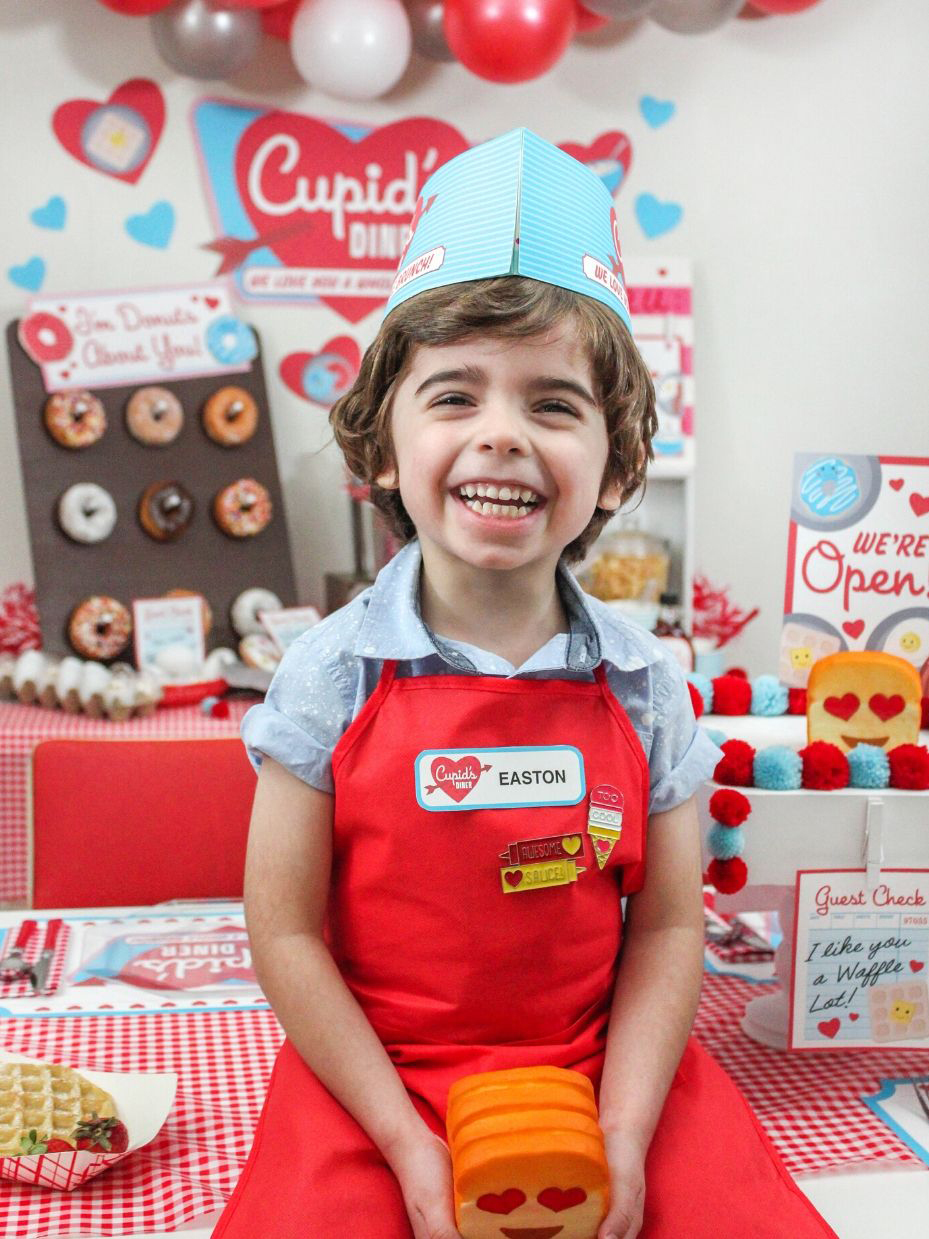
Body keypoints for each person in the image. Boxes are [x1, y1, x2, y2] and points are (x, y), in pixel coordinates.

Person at [214, 131, 837, 1239]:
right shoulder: (326, 678)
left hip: (600, 1072)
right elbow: (286, 934)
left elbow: (666, 929)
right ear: (383, 447)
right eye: (454, 397)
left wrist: (626, 1131)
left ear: (617, 464)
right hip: (374, 1081)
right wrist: (405, 1143)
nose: (501, 436)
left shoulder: (647, 688)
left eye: (553, 405)